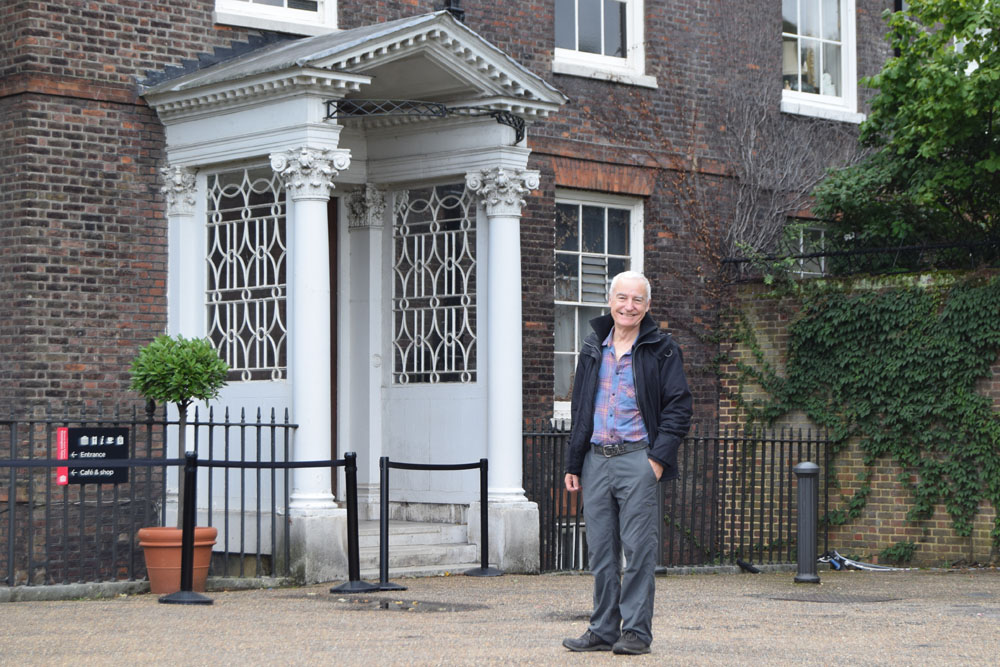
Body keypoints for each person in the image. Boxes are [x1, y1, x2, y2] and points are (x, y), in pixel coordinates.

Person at [561, 270, 692, 655]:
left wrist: (657, 461)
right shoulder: (592, 347)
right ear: (610, 301)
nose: (628, 306)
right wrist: (573, 462)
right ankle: (602, 629)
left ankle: (635, 632)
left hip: (638, 458)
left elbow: (679, 408)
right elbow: (581, 407)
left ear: (647, 306)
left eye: (637, 300)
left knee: (638, 551)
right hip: (596, 460)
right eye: (622, 298)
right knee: (601, 552)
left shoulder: (662, 349)